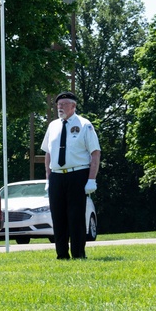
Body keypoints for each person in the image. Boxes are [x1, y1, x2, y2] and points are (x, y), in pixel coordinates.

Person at [41, 91, 101, 260]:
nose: (60, 107)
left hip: (78, 175)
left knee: (75, 216)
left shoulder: (84, 125)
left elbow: (95, 153)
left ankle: (78, 254)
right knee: (58, 216)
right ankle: (61, 254)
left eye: (64, 104)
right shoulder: (53, 126)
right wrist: (48, 177)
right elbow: (48, 153)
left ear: (73, 106)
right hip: (57, 176)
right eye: (58, 105)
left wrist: (91, 179)